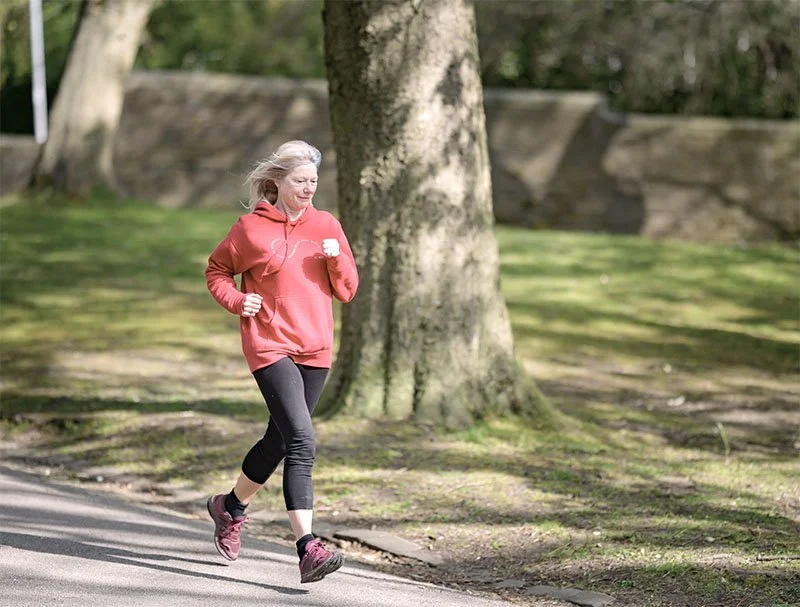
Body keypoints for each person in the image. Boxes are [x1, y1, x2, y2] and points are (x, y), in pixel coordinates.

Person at [204, 140, 359, 584]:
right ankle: (307, 546)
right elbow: (216, 270)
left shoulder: (327, 225)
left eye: (313, 180)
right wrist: (237, 299)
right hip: (269, 344)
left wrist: (335, 259)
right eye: (300, 180)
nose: (308, 187)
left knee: (279, 439)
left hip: (315, 348)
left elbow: (347, 290)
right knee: (302, 441)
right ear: (277, 181)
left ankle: (230, 507)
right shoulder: (250, 229)